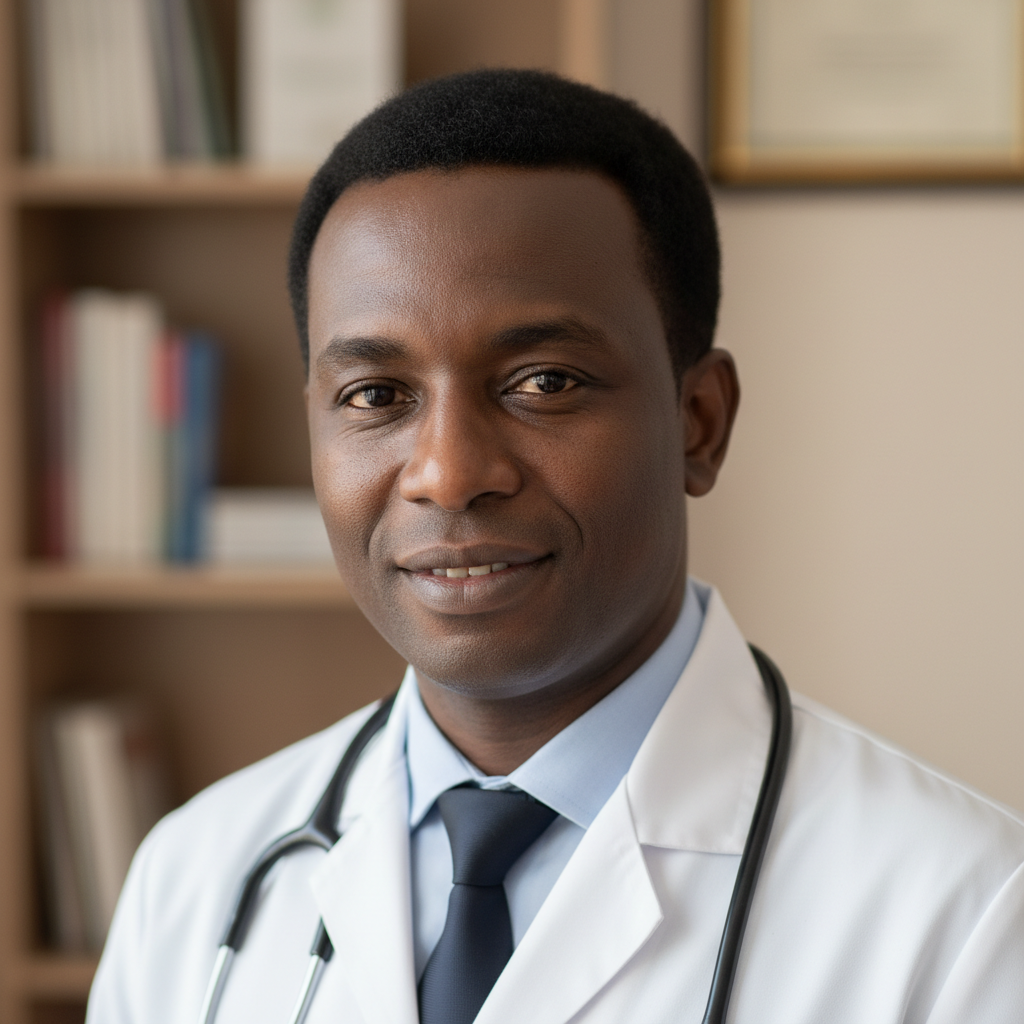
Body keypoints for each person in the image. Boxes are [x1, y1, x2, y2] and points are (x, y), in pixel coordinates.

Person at [88, 70, 1024, 1024]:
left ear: (699, 421)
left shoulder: (966, 917)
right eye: (375, 396)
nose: (448, 474)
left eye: (543, 381)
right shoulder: (196, 881)